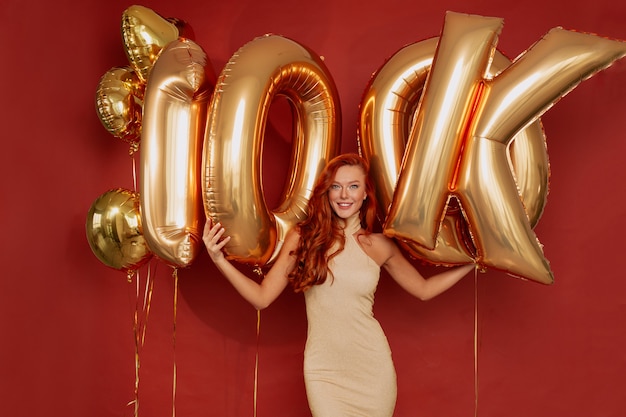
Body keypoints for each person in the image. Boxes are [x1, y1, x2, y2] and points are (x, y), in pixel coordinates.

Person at [203, 153, 474, 416]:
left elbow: (424, 290)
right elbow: (261, 298)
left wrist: (471, 263)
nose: (344, 195)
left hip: (371, 367)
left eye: (353, 186)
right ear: (327, 192)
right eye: (336, 187)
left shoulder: (379, 246)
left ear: (366, 193)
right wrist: (219, 259)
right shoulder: (304, 237)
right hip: (324, 372)